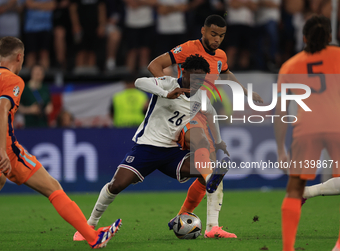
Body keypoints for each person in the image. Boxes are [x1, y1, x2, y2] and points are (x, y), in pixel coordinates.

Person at [73, 54, 228, 241]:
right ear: (183, 71)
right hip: (147, 147)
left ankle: (211, 227)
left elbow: (211, 114)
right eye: (194, 77)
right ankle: (88, 225)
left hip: (173, 152)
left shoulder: (201, 98)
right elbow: (139, 82)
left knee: (210, 175)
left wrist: (218, 141)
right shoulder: (167, 83)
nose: (197, 82)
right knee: (117, 185)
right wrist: (165, 94)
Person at [148, 14, 263, 238]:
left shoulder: (220, 56)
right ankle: (212, 228)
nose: (217, 39)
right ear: (203, 31)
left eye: (221, 35)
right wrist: (168, 90)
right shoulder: (188, 48)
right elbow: (155, 65)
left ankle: (188, 219)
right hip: (186, 112)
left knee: (207, 173)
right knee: (211, 168)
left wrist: (246, 92)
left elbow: (226, 72)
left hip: (203, 113)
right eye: (213, 34)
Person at [0, 36, 120, 249]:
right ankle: (92, 238)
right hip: (6, 149)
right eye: (24, 58)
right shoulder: (11, 79)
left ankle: (90, 233)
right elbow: (1, 109)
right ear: (19, 57)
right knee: (53, 187)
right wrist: (1, 150)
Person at [274, 16, 340, 251]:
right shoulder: (338, 56)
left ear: (303, 38)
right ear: (330, 37)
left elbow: (281, 111)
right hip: (337, 126)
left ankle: (288, 249)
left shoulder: (290, 65)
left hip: (306, 129)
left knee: (294, 189)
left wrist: (281, 149)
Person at [23, 0, 56, 69]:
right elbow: (28, 4)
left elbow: (52, 5)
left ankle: (45, 78)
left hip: (46, 27)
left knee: (44, 53)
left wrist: (34, 5)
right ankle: (29, 79)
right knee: (31, 54)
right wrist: (44, 5)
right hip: (30, 28)